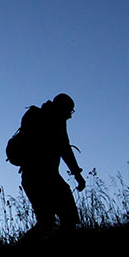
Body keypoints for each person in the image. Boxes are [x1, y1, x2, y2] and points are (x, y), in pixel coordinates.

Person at [18, 93, 86, 240]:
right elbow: (65, 150)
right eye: (69, 111)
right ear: (62, 108)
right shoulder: (55, 121)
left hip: (33, 177)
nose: (70, 116)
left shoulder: (37, 116)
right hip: (43, 177)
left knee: (48, 223)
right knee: (61, 220)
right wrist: (78, 175)